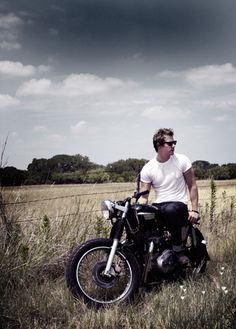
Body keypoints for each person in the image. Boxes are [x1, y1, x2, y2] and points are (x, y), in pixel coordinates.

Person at [140, 128, 200, 265]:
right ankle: (146, 256)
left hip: (178, 204)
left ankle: (178, 249)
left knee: (169, 209)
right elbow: (144, 196)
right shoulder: (148, 168)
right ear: (159, 145)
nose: (173, 145)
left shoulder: (182, 160)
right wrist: (138, 208)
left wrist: (195, 210)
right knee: (139, 216)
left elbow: (192, 185)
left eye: (174, 142)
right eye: (170, 143)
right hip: (159, 205)